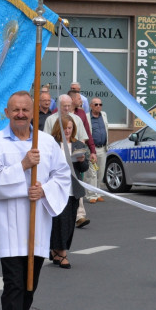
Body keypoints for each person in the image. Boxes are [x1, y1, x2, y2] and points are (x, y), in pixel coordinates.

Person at [0, 91, 71, 310]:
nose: (20, 114)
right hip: (10, 225)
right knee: (15, 284)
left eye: (25, 110)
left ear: (33, 113)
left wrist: (43, 189)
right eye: (15, 110)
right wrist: (22, 167)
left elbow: (62, 175)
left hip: (37, 225)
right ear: (6, 113)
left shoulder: (46, 142)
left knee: (30, 286)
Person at [49, 115, 89, 269]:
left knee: (69, 222)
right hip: (56, 188)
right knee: (59, 221)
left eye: (70, 128)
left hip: (73, 190)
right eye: (65, 127)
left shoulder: (78, 144)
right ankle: (61, 253)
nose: (67, 131)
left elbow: (84, 168)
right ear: (59, 128)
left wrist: (81, 161)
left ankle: (56, 251)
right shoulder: (52, 143)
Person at [85, 96, 109, 203]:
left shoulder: (103, 115)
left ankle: (98, 192)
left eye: (100, 104)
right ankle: (91, 195)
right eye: (96, 104)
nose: (98, 106)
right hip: (92, 150)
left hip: (103, 148)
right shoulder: (87, 117)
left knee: (101, 172)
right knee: (92, 173)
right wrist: (90, 150)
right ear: (91, 106)